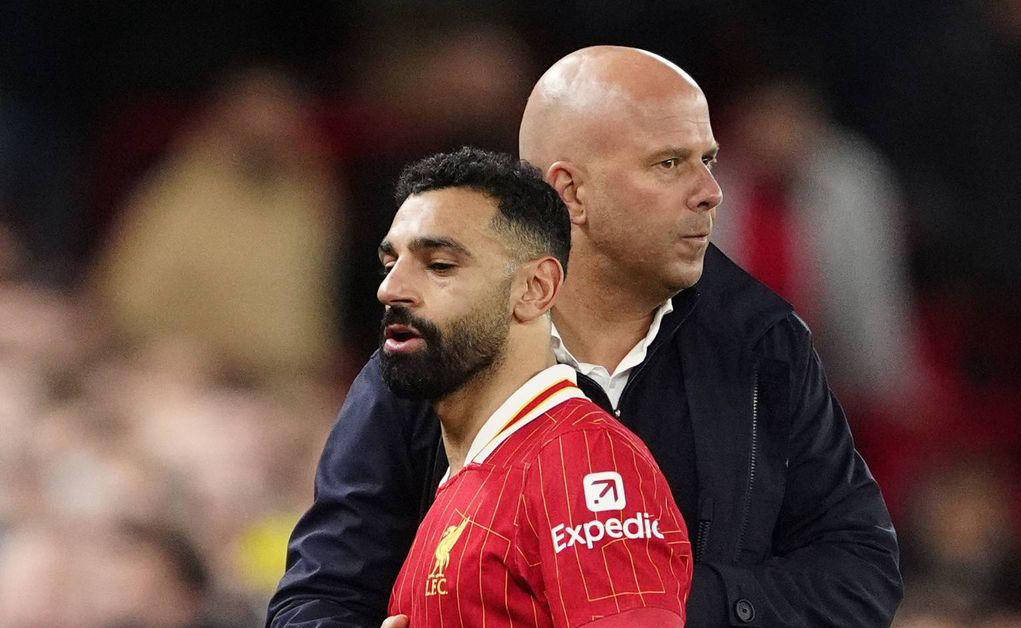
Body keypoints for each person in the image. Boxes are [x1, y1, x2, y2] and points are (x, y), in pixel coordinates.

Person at [269, 46, 902, 627]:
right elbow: (319, 595)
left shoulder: (761, 341)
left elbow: (861, 573)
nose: (711, 193)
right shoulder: (438, 346)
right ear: (568, 191)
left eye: (707, 160)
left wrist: (661, 597)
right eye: (670, 164)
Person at [374, 147, 691, 626]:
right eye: (390, 263)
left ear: (535, 288)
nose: (390, 289)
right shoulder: (475, 474)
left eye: (439, 265)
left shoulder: (582, 461)